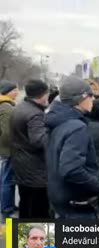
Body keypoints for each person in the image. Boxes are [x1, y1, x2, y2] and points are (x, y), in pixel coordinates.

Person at [46, 76, 99, 219]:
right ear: (79, 99)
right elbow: (71, 169)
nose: (93, 99)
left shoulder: (58, 121)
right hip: (77, 204)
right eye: (90, 95)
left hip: (59, 197)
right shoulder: (77, 127)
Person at [11, 80, 50, 218]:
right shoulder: (36, 114)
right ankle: (39, 239)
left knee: (25, 206)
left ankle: (19, 239)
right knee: (38, 210)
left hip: (22, 164)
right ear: (42, 95)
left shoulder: (19, 107)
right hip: (36, 170)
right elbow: (39, 141)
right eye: (47, 93)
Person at [0, 80, 19, 220]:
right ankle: (7, 210)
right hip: (8, 150)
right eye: (14, 90)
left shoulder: (6, 105)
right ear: (7, 91)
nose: (17, 92)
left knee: (7, 179)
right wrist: (14, 145)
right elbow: (7, 132)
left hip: (6, 149)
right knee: (7, 180)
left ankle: (8, 206)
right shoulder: (6, 107)